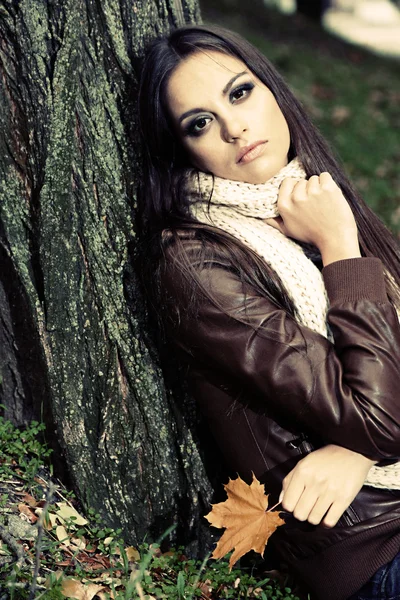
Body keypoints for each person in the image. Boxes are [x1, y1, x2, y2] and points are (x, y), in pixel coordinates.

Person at [136, 24, 400, 600]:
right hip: (373, 541)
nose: (235, 127)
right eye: (199, 123)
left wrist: (357, 448)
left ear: (272, 91)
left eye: (239, 92)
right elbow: (380, 417)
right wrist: (339, 250)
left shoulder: (305, 196)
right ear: (180, 147)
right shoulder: (195, 265)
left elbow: (374, 420)